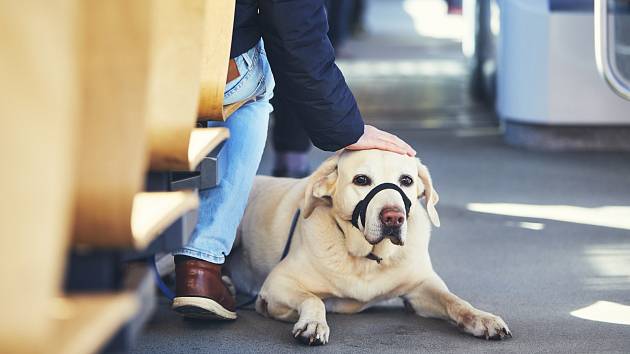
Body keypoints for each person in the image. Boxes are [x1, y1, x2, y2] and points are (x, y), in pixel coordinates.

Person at [171, 0, 416, 320]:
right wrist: (346, 128)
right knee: (253, 87)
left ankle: (117, 243)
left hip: (109, 59)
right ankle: (201, 261)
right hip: (198, 66)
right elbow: (295, 30)